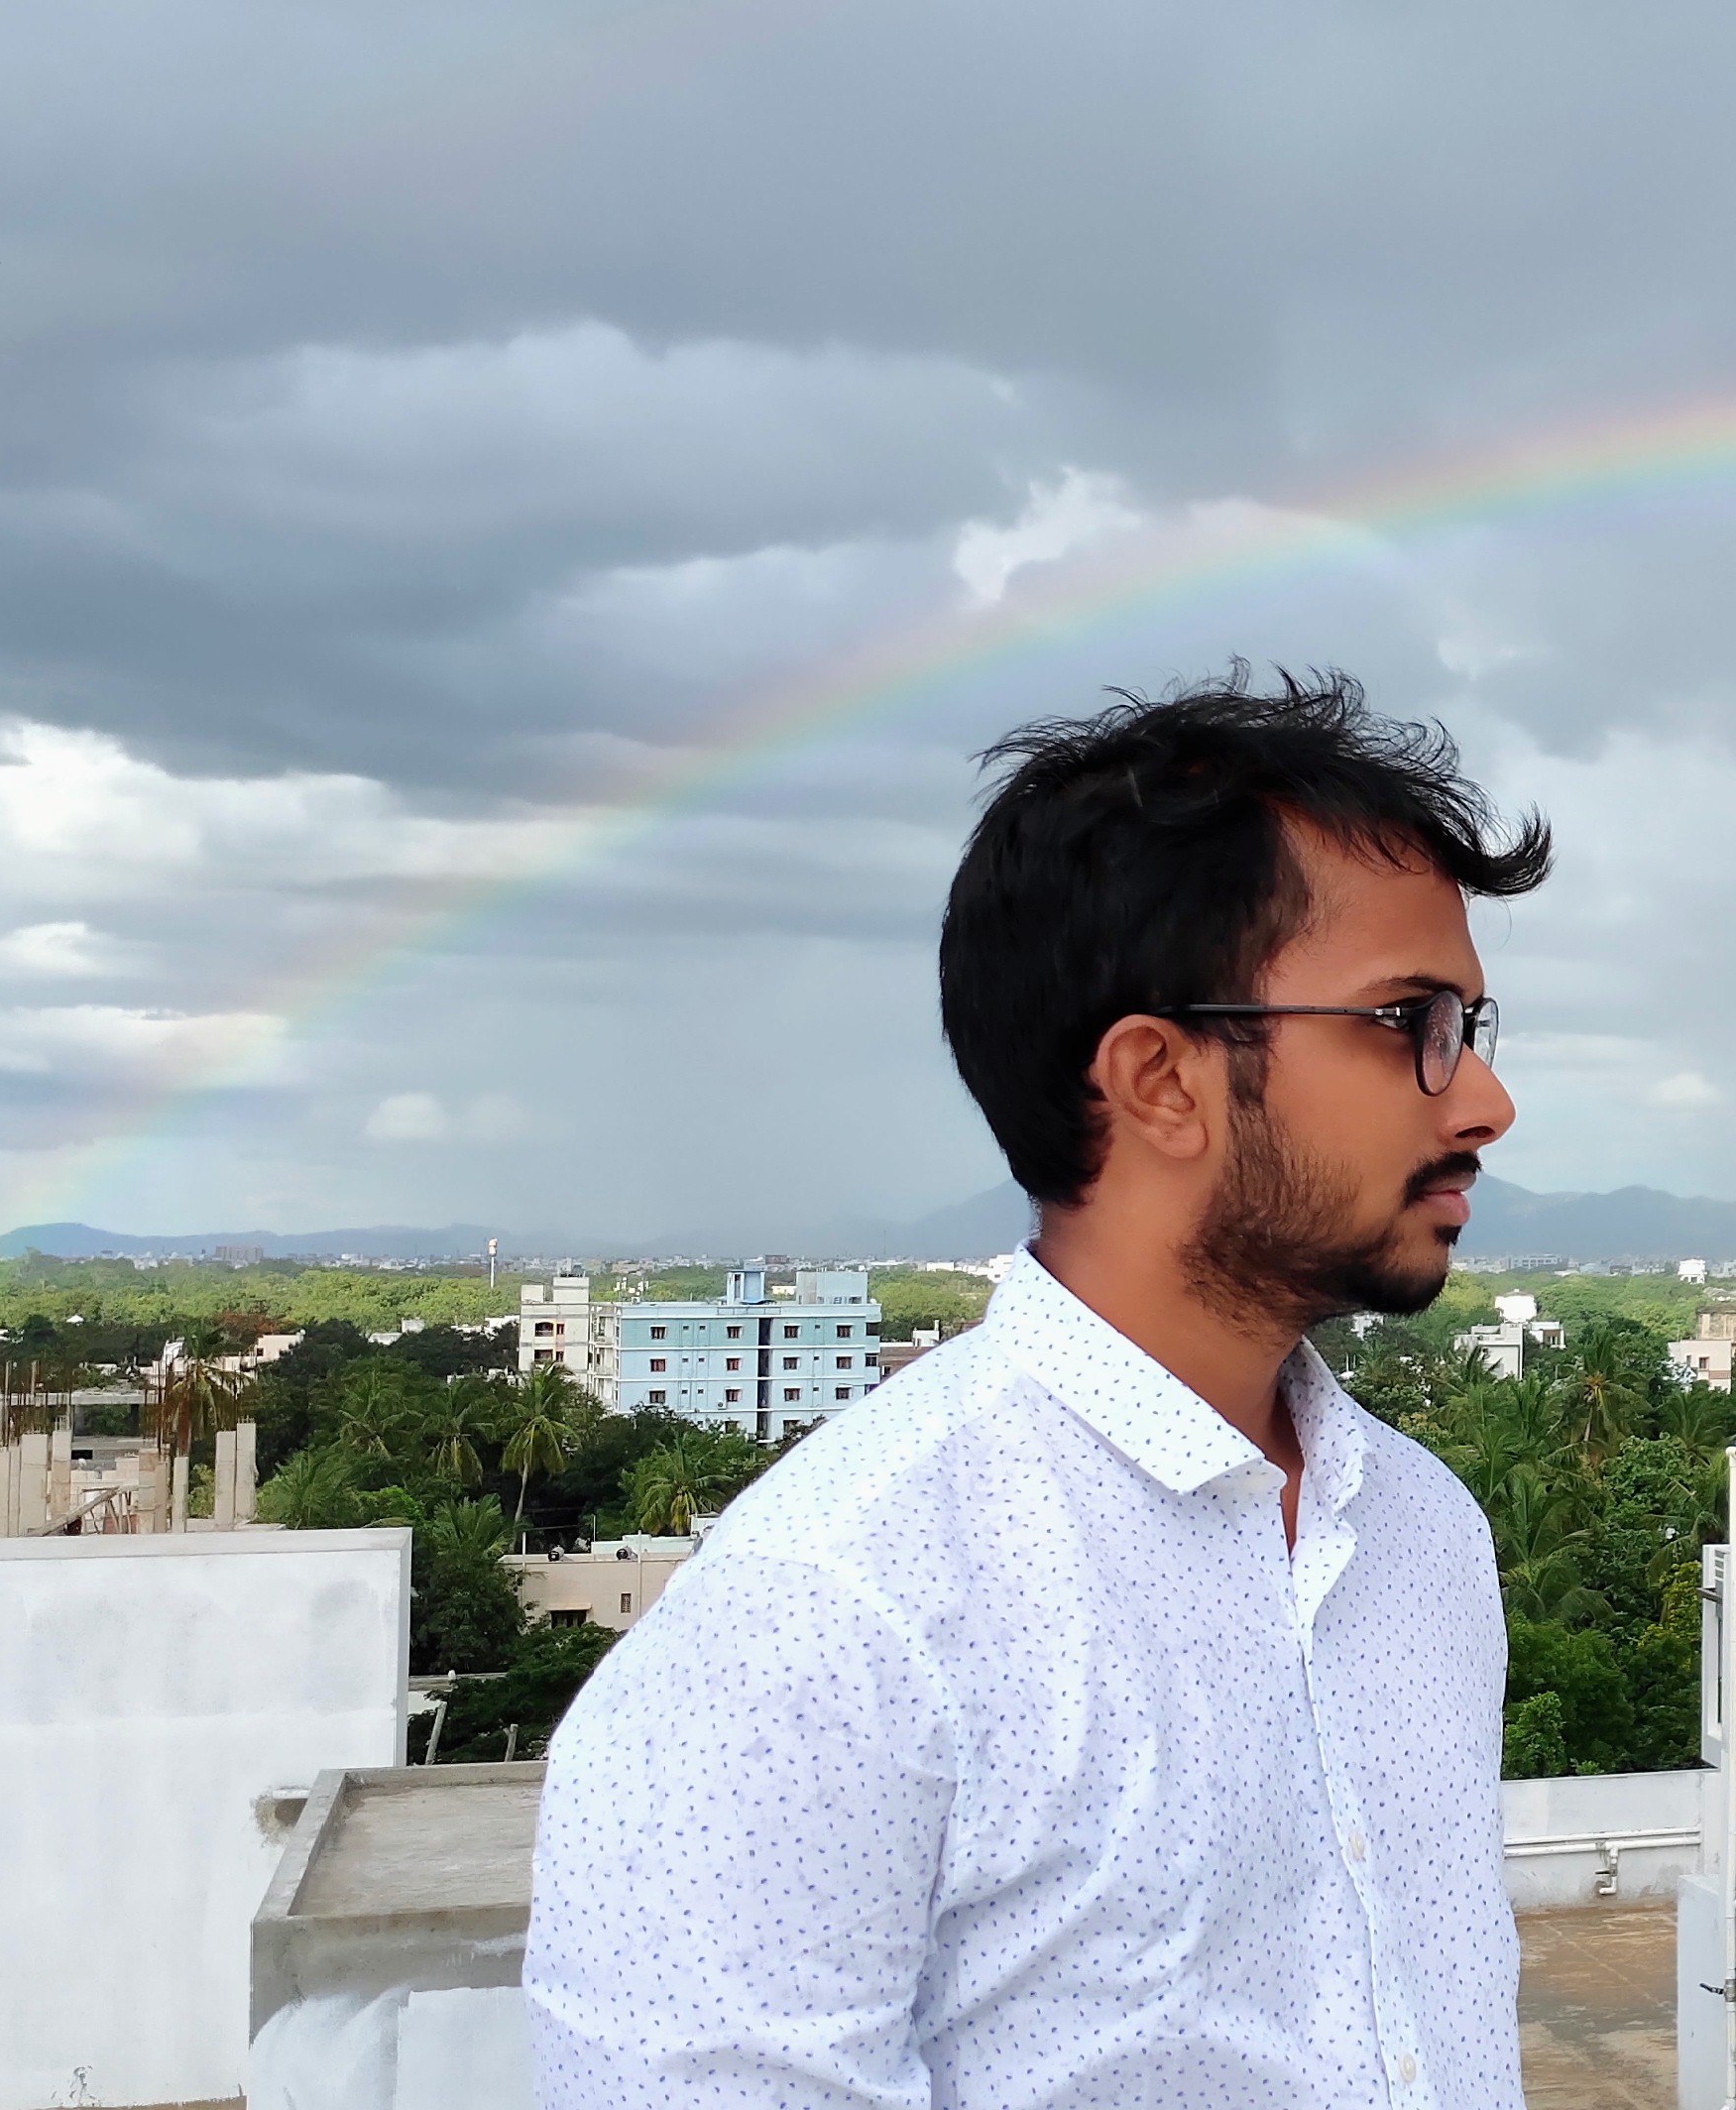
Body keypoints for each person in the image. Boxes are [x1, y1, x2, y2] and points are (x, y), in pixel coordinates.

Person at [530, 668, 1551, 2109]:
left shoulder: (1420, 1533)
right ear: (1161, 1081)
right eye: (1410, 1022)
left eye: (1472, 1028)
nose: (1484, 1101)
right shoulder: (831, 1619)